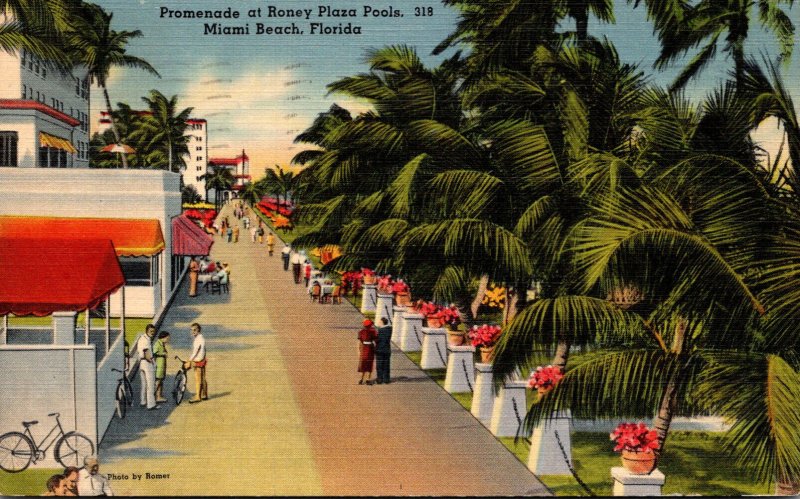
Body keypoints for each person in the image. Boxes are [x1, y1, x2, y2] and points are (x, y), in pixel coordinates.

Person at [134, 324, 158, 410]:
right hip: (147, 363)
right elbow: (147, 353)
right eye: (151, 331)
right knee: (150, 384)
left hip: (141, 363)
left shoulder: (141, 338)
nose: (152, 333)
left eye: (153, 331)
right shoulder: (146, 340)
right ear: (147, 331)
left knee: (144, 384)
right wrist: (153, 362)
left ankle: (143, 401)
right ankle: (151, 404)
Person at [185, 323, 208, 403]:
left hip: (198, 360)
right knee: (203, 378)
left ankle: (198, 396)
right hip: (202, 359)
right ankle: (204, 394)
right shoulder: (201, 338)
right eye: (191, 330)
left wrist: (189, 361)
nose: (193, 332)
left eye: (195, 330)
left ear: (199, 330)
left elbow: (195, 352)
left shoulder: (198, 340)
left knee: (198, 379)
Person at [357, 319, 378, 385]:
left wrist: (358, 350)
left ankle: (361, 379)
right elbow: (376, 341)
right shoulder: (373, 331)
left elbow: (359, 342)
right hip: (370, 348)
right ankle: (368, 379)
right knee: (369, 363)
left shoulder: (361, 332)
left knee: (362, 364)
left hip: (363, 348)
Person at [153, 331, 170, 403]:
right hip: (159, 365)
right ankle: (154, 396)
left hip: (162, 365)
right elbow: (154, 353)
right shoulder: (157, 344)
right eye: (167, 338)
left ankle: (159, 396)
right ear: (163, 337)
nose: (168, 340)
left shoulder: (162, 344)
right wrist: (162, 354)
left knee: (161, 381)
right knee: (158, 381)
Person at [375, 318, 393, 384]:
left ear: (382, 322)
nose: (379, 323)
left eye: (380, 322)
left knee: (379, 365)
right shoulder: (389, 329)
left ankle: (380, 379)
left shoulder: (381, 330)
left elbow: (378, 340)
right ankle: (386, 379)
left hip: (380, 350)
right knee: (386, 365)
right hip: (387, 350)